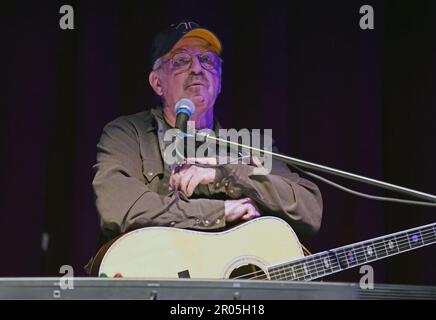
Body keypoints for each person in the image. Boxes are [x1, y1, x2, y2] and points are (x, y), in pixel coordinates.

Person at [92, 21, 323, 246]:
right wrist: (219, 212)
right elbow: (119, 208)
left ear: (219, 81)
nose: (197, 68)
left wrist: (226, 174)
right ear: (157, 83)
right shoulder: (127, 134)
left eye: (207, 60)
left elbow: (308, 209)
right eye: (181, 60)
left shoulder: (247, 146)